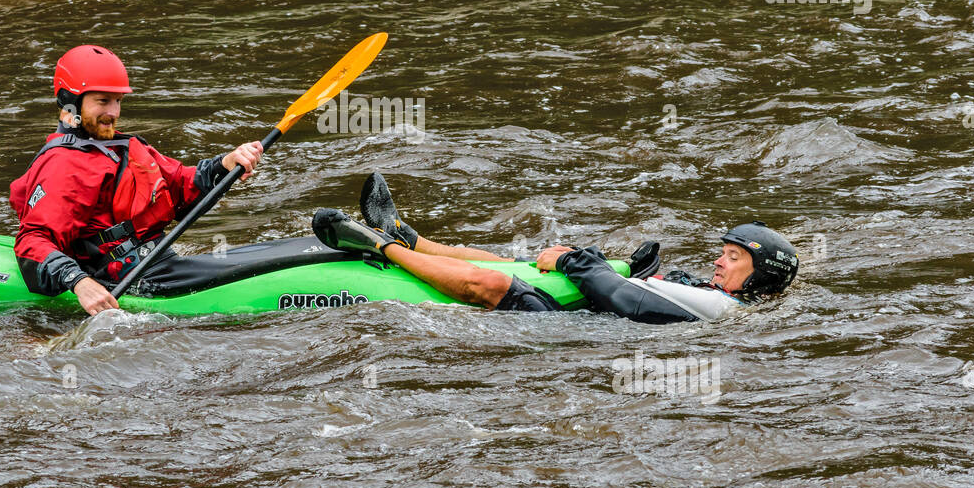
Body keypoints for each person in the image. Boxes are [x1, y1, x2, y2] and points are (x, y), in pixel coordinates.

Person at [311, 174, 798, 323]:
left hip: (567, 324)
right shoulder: (713, 292)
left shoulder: (723, 309)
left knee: (495, 281)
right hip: (586, 303)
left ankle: (379, 247)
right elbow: (648, 290)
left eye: (734, 258)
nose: (719, 259)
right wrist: (635, 266)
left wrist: (576, 259)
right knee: (516, 261)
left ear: (759, 278)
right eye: (724, 251)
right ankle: (409, 237)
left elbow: (629, 301)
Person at [9, 45, 264, 315]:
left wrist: (225, 165)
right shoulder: (63, 164)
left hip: (155, 262)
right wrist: (80, 282)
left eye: (118, 100)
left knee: (265, 256)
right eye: (103, 101)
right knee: (254, 272)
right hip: (125, 278)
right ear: (71, 101)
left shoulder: (122, 146)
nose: (114, 112)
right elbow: (33, 240)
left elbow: (180, 185)